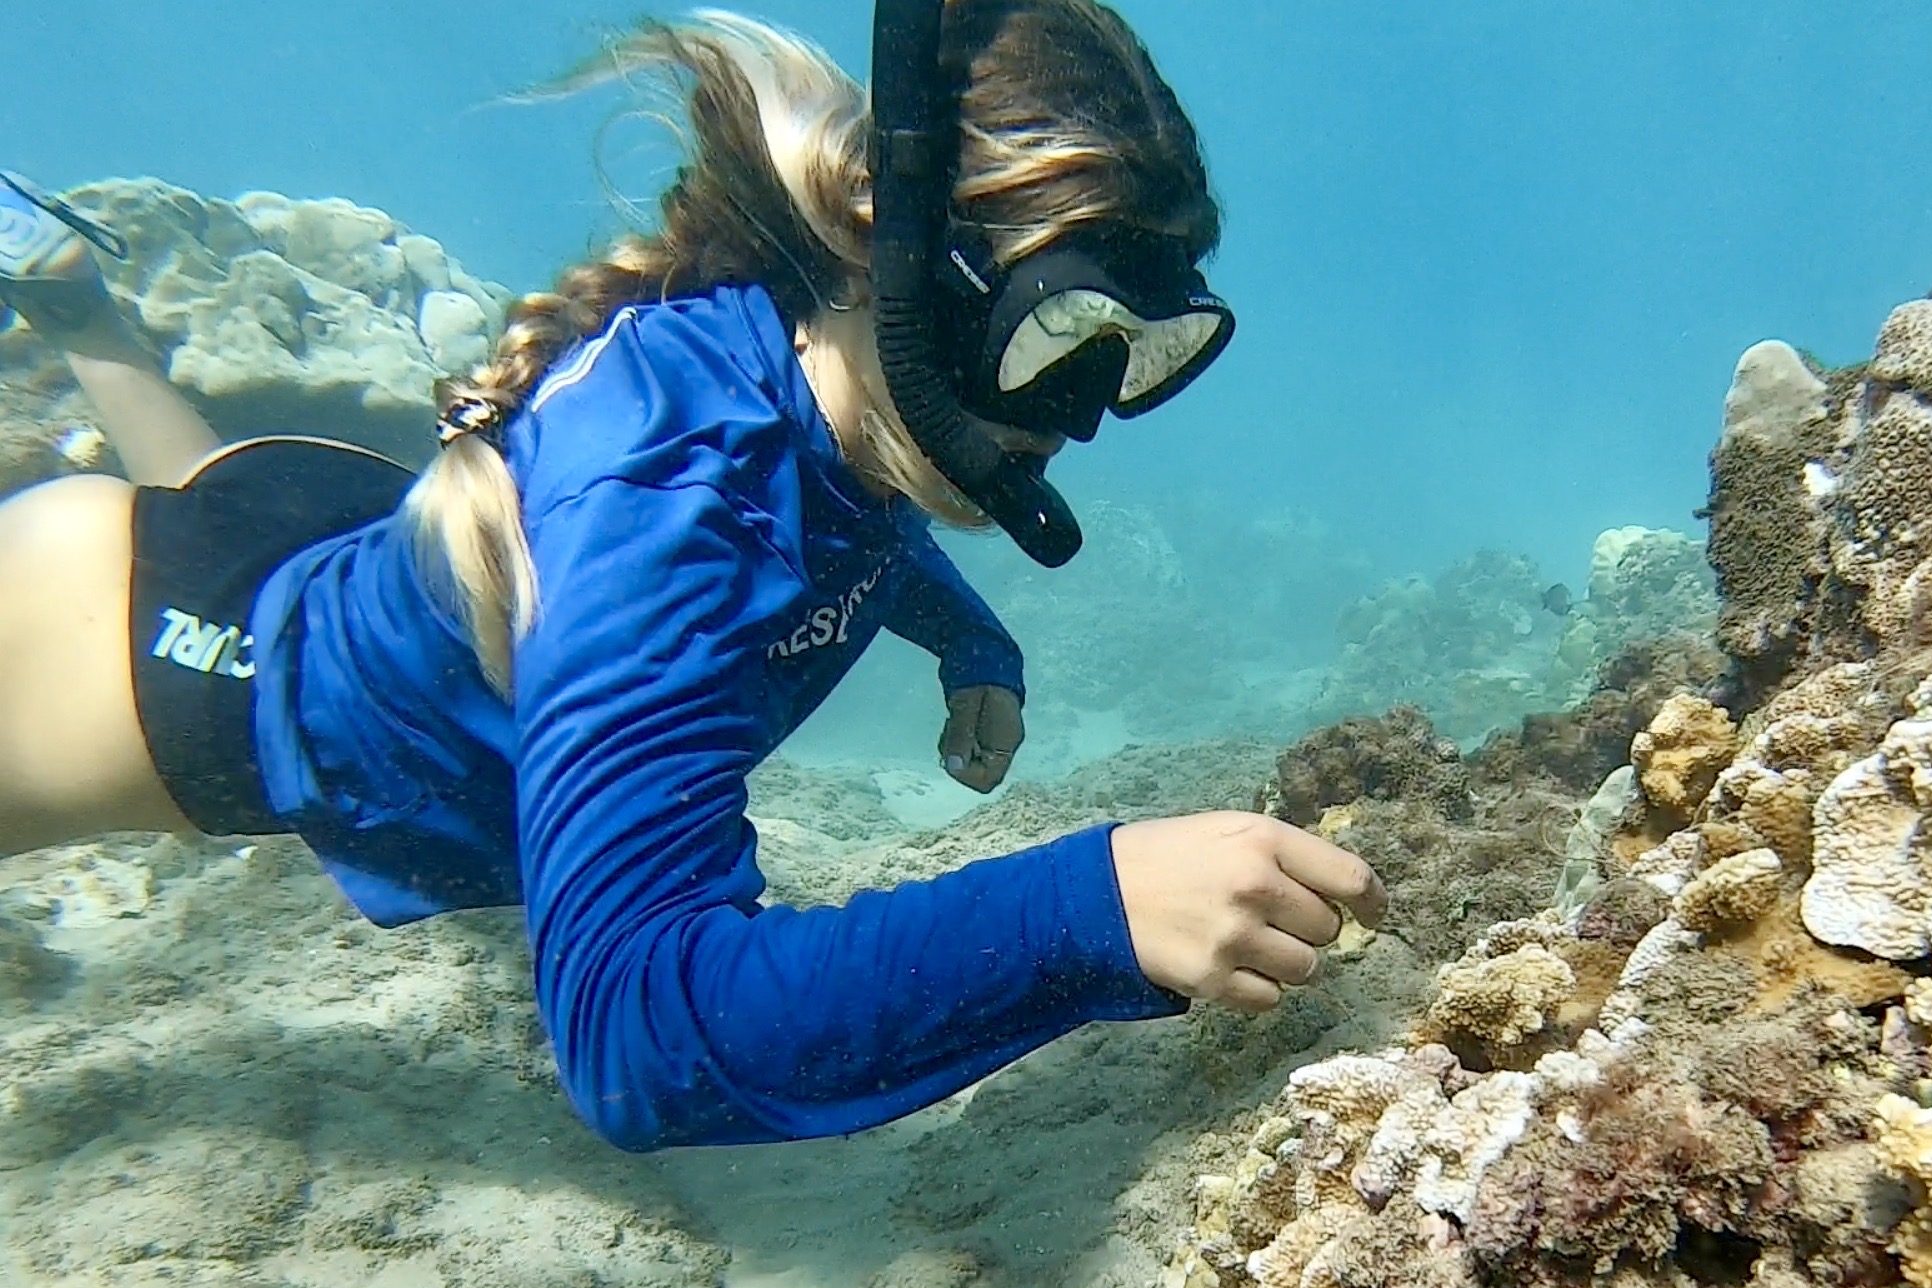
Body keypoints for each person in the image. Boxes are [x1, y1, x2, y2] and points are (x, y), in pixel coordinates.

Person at [0, 0, 1384, 1151]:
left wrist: (974, 648)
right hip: (115, 662)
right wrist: (1095, 908)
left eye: (1144, 351)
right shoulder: (654, 514)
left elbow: (856, 516)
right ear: (895, 261)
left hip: (323, 515)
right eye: (1055, 331)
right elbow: (637, 1037)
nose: (1076, 412)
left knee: (200, 494)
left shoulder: (817, 370)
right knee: (188, 547)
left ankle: (72, 301)